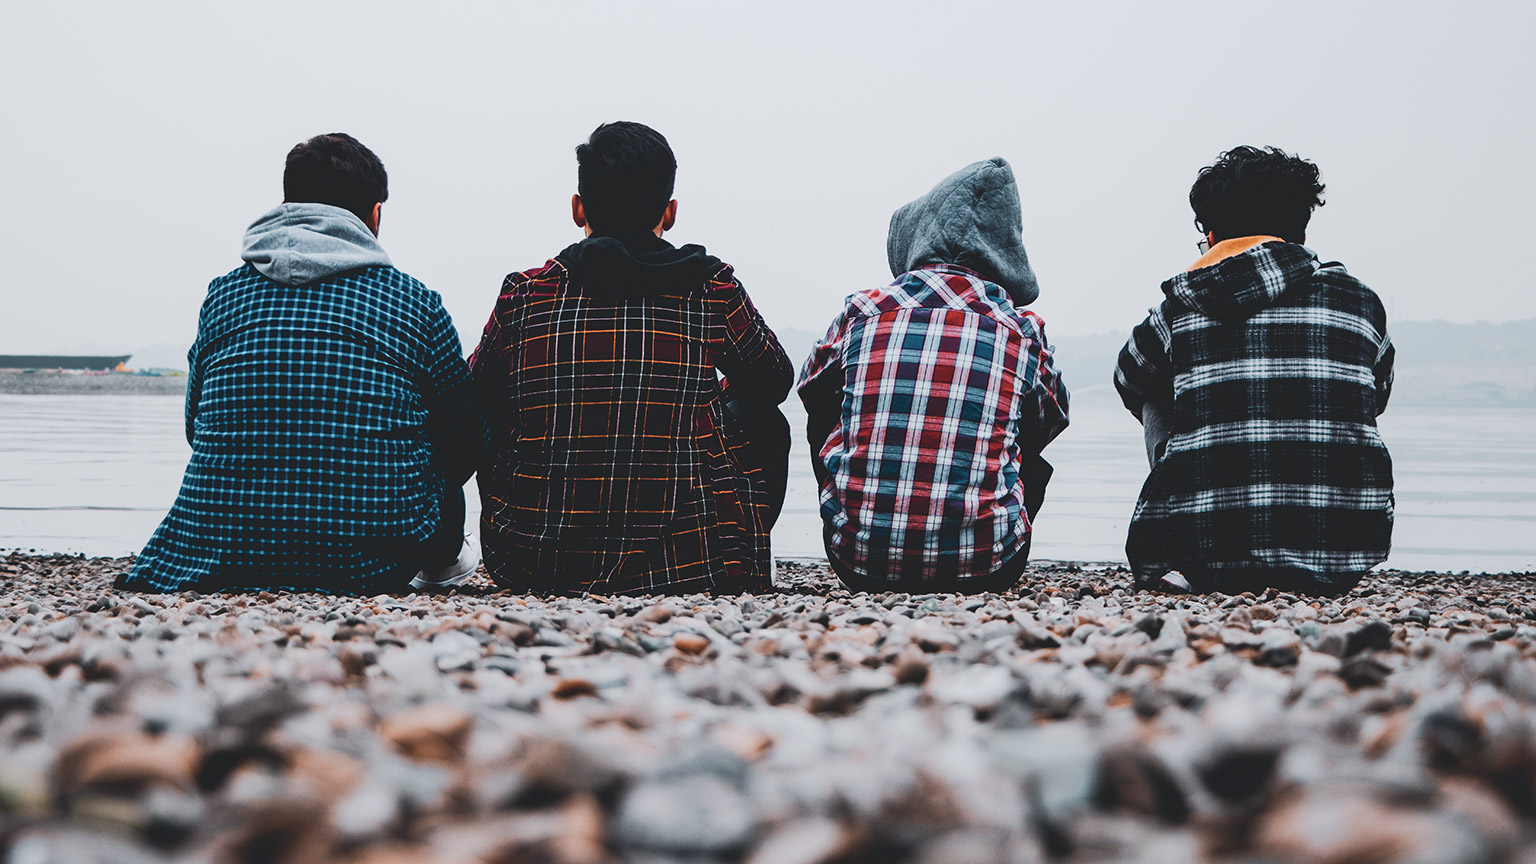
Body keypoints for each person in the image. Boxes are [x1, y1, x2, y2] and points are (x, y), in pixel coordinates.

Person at [119, 133, 485, 595]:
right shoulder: (413, 303)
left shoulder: (223, 297)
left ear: (288, 206)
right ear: (375, 216)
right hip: (373, 560)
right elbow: (467, 440)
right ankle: (440, 561)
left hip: (223, 550)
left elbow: (197, 427)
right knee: (443, 430)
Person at [470, 121, 792, 595]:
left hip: (532, 565)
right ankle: (739, 552)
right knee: (762, 414)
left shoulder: (525, 294)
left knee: (490, 402)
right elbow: (774, 382)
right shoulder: (710, 288)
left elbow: (472, 397)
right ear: (671, 212)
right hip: (692, 564)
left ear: (578, 208)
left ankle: (525, 527)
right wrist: (707, 400)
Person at [1114, 145, 1394, 596]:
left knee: (1155, 385)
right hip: (1345, 556)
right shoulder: (1360, 301)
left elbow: (1128, 379)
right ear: (1297, 229)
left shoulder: (1178, 307)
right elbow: (1377, 394)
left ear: (1211, 235)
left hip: (1206, 558)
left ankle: (1190, 527)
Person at [799, 158, 1069, 594]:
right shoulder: (1021, 329)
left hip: (856, 562)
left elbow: (809, 390)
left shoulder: (863, 310)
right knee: (1024, 424)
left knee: (829, 403)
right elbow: (1051, 421)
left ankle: (863, 519)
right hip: (987, 567)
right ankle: (979, 526)